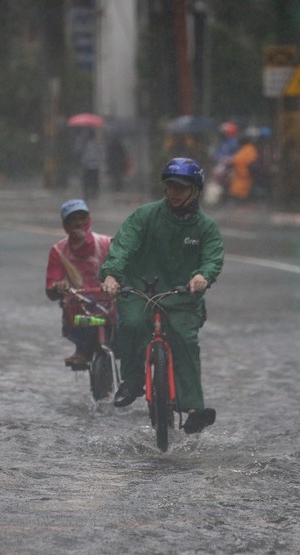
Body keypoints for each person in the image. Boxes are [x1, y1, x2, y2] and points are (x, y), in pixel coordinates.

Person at [100, 158, 224, 434]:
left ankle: (193, 408)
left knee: (185, 339)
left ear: (195, 190)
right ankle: (132, 381)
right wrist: (112, 275)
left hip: (182, 297)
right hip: (139, 291)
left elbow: (212, 258)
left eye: (181, 188)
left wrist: (202, 276)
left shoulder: (206, 228)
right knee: (130, 325)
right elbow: (122, 246)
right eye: (170, 187)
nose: (175, 193)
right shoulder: (145, 216)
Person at [45, 199, 113, 367]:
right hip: (80, 305)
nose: (78, 223)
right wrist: (58, 286)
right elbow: (52, 285)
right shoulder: (59, 251)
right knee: (73, 310)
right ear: (65, 224)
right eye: (72, 219)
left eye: (82, 217)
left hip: (111, 302)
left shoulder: (106, 244)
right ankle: (82, 349)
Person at [228, 133, 259, 202]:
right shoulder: (248, 149)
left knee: (239, 191)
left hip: (245, 176)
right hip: (241, 175)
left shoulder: (249, 149)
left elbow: (237, 160)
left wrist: (230, 161)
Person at [80, 128, 102, 201]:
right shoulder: (95, 144)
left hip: (89, 165)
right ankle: (93, 194)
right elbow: (100, 153)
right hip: (93, 165)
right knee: (93, 181)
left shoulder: (86, 144)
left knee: (88, 181)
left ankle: (90, 194)